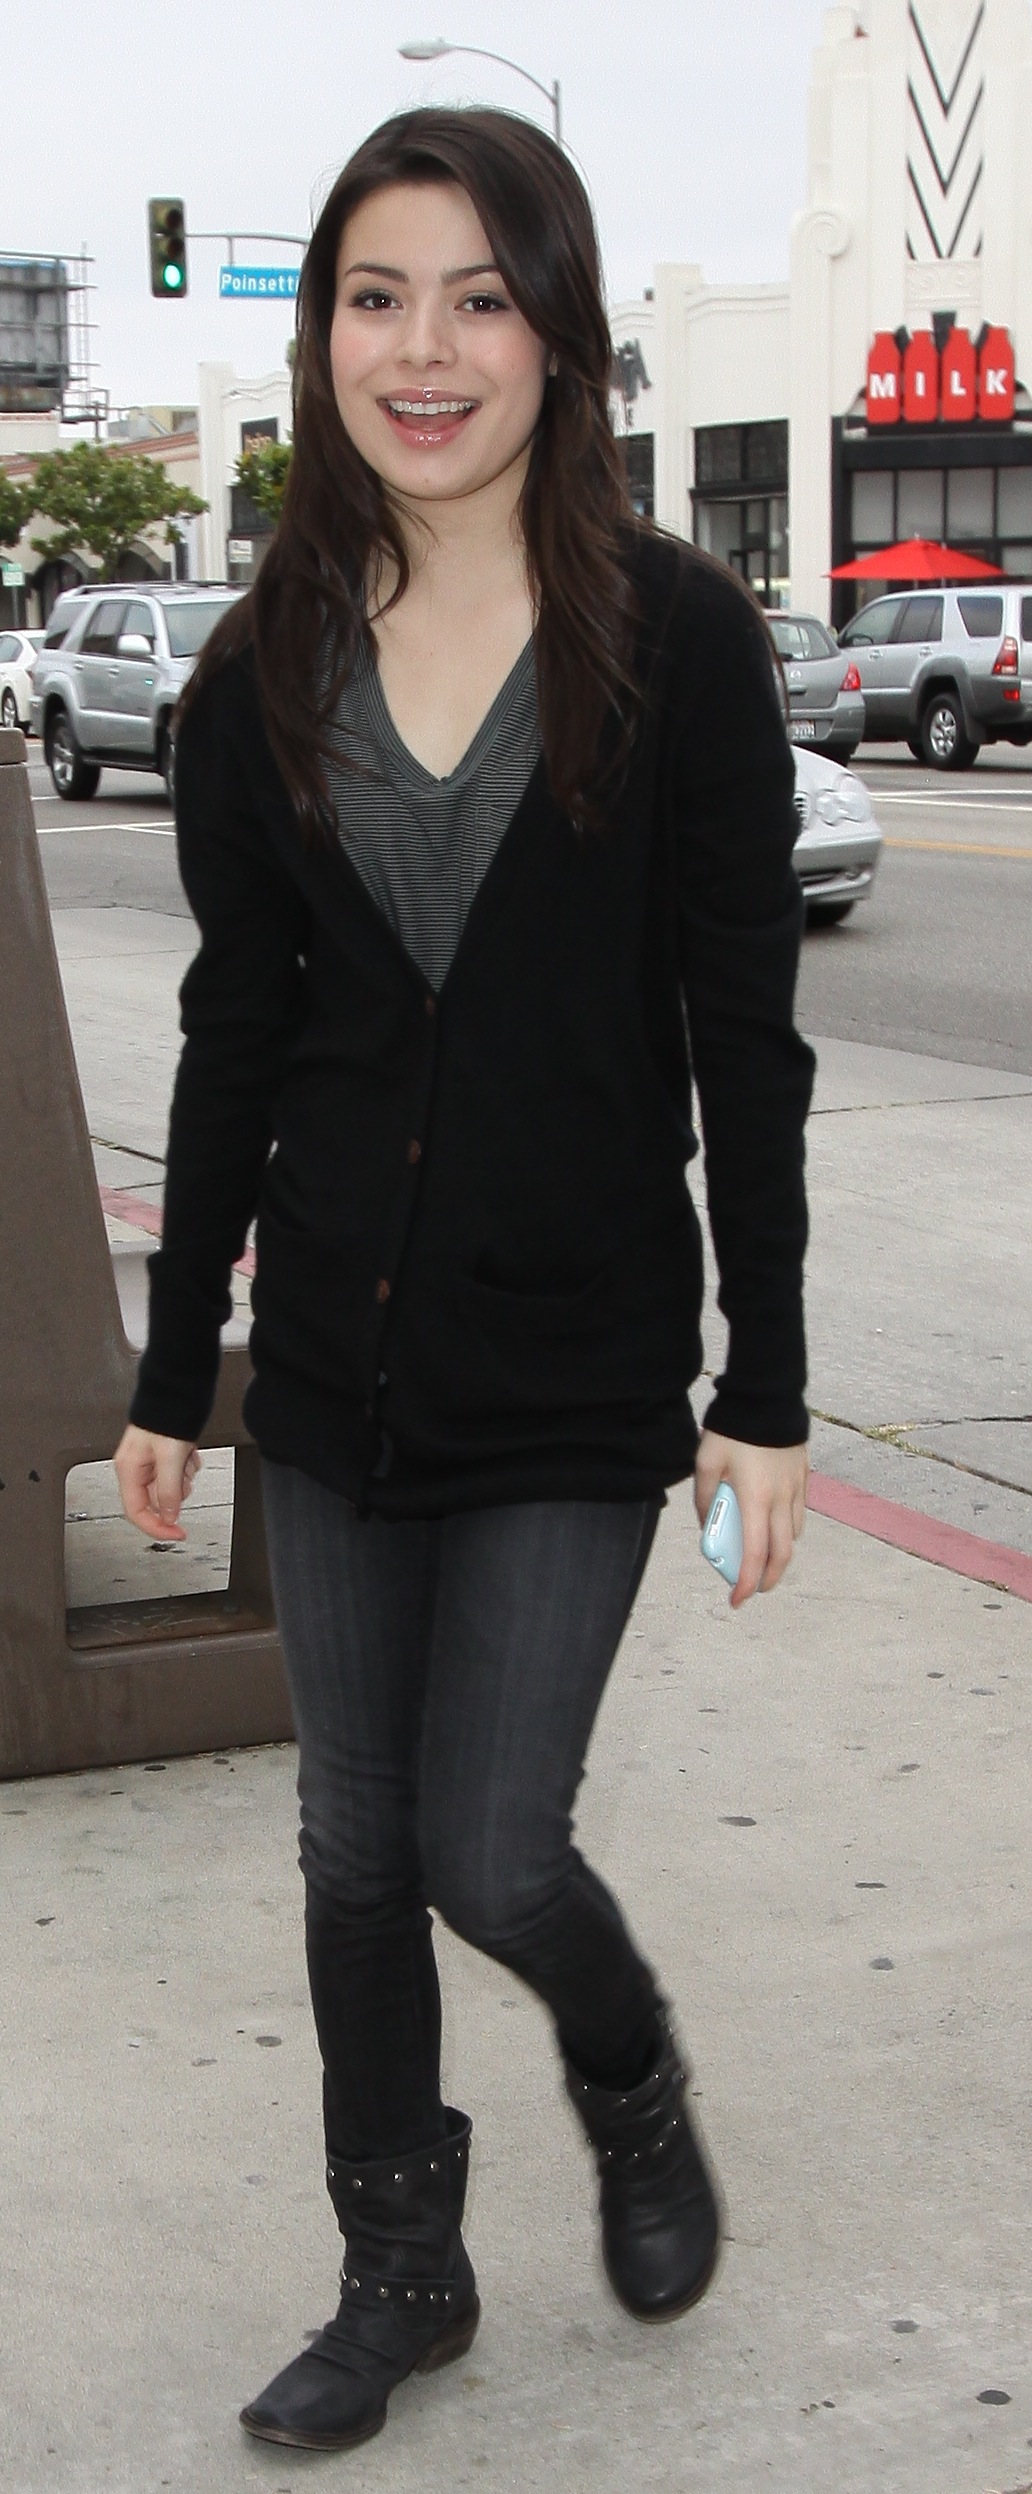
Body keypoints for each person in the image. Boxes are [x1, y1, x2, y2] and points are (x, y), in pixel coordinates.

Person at [115, 107, 814, 2458]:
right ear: (322, 336)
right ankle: (399, 2269)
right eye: (376, 297)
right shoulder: (259, 668)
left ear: (560, 336)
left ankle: (627, 2070)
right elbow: (236, 1035)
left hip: (576, 1355)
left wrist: (769, 1386)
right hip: (332, 1354)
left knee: (489, 1843)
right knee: (351, 1846)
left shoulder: (676, 640)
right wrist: (177, 1358)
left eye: (480, 299)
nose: (423, 350)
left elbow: (746, 1035)